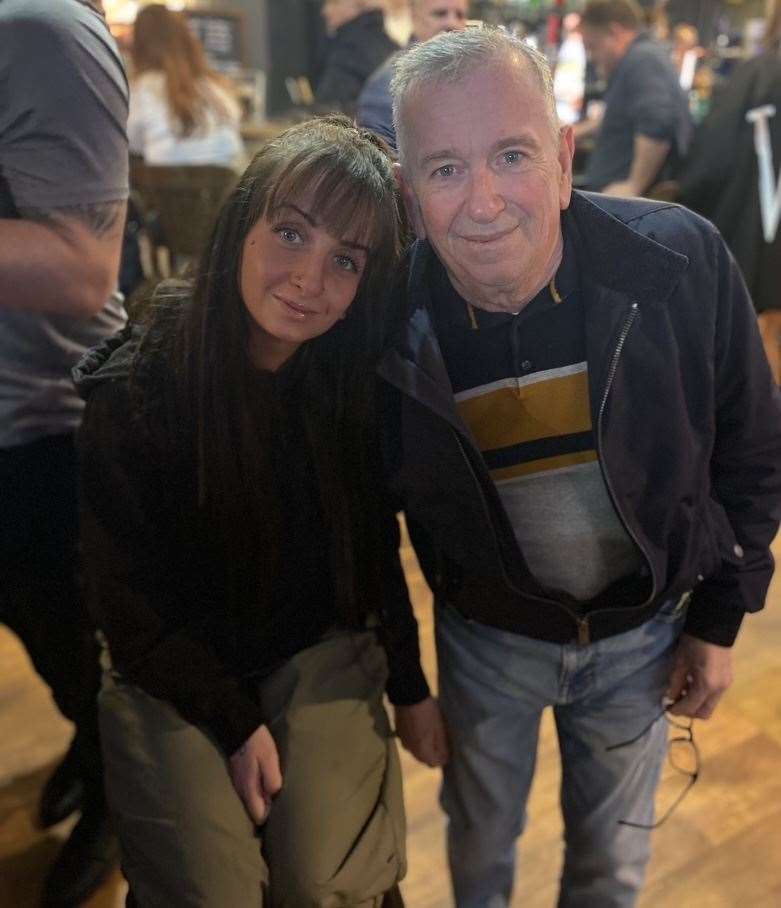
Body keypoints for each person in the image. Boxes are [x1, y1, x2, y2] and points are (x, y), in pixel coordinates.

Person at [383, 26, 781, 908]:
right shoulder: (387, 326)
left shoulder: (680, 263)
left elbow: (752, 453)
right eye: (445, 169)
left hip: (642, 637)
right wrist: (405, 683)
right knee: (480, 841)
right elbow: (364, 525)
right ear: (411, 196)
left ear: (564, 159)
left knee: (610, 863)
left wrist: (718, 618)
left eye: (511, 155)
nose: (483, 201)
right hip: (485, 641)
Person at [74, 115, 418, 907]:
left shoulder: (348, 387)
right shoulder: (135, 393)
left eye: (345, 261)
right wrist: (233, 722)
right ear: (240, 225)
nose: (309, 279)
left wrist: (410, 686)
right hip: (171, 665)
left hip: (312, 645)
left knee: (329, 881)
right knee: (209, 890)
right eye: (291, 234)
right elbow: (126, 605)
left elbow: (370, 548)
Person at [0, 1, 127, 905]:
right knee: (51, 646)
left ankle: (119, 790)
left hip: (45, 429)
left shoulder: (39, 26)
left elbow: (85, 269)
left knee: (78, 646)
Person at [677, 0, 781, 384]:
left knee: (761, 333)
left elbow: (712, 161)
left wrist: (686, 196)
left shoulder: (761, 74)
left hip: (760, 232)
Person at [575, 0, 692, 195]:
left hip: (627, 204)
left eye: (593, 46)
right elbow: (621, 115)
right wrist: (576, 131)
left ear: (614, 32)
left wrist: (633, 185)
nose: (592, 57)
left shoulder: (643, 59)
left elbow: (657, 121)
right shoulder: (636, 59)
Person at [128, 3, 242, 168]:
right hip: (224, 187)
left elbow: (131, 141)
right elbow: (235, 119)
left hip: (161, 189)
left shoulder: (140, 88)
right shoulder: (212, 85)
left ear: (138, 44)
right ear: (187, 38)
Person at [357, 0, 469, 151]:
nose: (452, 23)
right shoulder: (386, 88)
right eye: (440, 14)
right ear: (414, 17)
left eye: (460, 15)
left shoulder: (472, 79)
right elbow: (382, 167)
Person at [316, 0, 399, 112]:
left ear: (357, 3)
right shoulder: (390, 44)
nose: (325, 11)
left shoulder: (349, 49)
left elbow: (328, 109)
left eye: (334, 2)